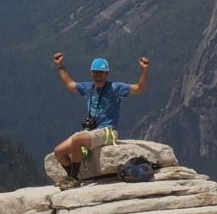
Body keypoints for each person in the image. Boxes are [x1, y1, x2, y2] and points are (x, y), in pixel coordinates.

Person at [51, 52, 150, 189]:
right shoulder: (88, 88)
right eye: (96, 72)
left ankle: (73, 179)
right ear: (91, 73)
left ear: (106, 74)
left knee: (77, 140)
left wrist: (144, 70)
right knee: (59, 151)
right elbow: (70, 84)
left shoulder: (115, 88)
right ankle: (73, 177)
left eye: (101, 72)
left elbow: (139, 88)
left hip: (107, 131)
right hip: (91, 131)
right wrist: (60, 66)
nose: (98, 74)